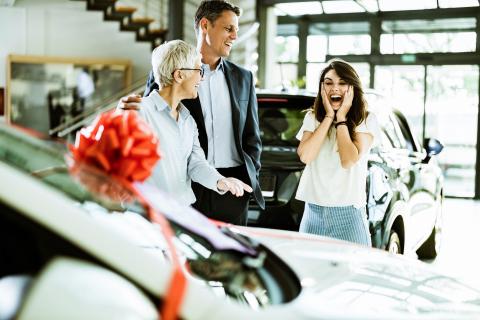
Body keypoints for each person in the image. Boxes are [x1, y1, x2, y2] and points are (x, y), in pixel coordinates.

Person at [120, 0, 264, 225]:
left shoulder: (242, 78)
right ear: (205, 25)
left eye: (236, 30)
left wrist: (246, 177)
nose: (235, 36)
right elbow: (150, 118)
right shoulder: (169, 69)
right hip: (187, 188)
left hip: (231, 185)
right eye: (229, 28)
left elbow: (251, 136)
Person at [137, 39, 252, 206]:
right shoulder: (140, 112)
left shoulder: (187, 120)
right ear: (179, 75)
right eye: (199, 70)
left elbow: (196, 164)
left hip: (182, 212)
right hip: (150, 216)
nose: (202, 78)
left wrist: (221, 181)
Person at [295, 58, 381, 246]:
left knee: (353, 273)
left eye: (342, 83)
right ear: (321, 88)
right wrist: (328, 117)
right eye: (328, 83)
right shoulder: (313, 118)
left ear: (352, 88)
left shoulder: (366, 120)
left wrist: (341, 118)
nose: (335, 88)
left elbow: (348, 160)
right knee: (310, 273)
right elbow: (306, 156)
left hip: (349, 215)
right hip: (313, 213)